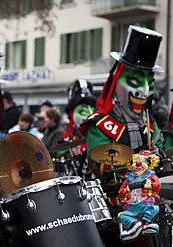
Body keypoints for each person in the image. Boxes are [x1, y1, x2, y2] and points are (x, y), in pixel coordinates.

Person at [80, 25, 169, 247]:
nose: (144, 91)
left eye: (149, 82)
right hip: (115, 206)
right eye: (135, 81)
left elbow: (161, 150)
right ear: (117, 78)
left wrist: (158, 153)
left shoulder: (149, 121)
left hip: (149, 200)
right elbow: (97, 163)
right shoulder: (98, 123)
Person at [55, 79, 96, 179]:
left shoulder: (99, 136)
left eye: (92, 111)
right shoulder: (65, 140)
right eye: (82, 112)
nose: (89, 116)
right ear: (71, 114)